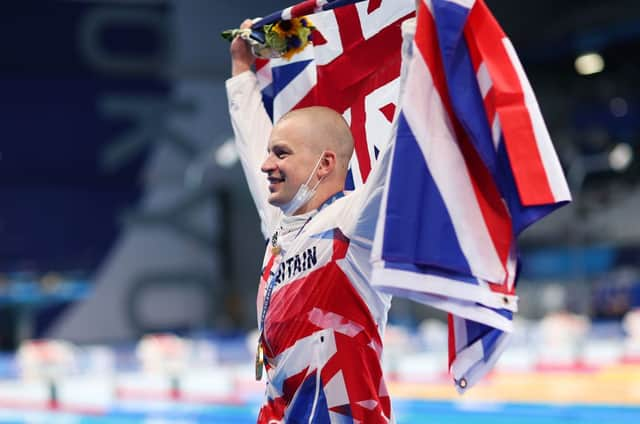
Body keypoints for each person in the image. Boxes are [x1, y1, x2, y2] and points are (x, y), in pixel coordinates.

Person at [226, 19, 414, 423]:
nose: (266, 164)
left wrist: (418, 48)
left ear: (326, 163)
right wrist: (242, 72)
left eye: (281, 154)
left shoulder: (354, 224)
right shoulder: (282, 226)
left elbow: (405, 145)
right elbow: (250, 143)